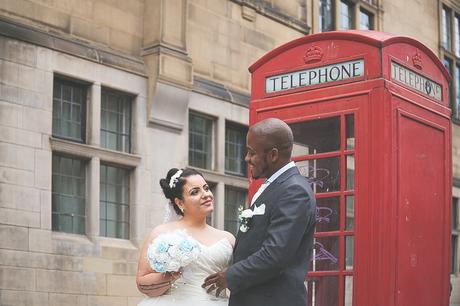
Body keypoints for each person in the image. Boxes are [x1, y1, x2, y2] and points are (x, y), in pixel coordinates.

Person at [202, 117, 316, 306]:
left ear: (273, 155)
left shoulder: (293, 191)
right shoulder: (275, 186)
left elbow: (275, 254)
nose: (246, 158)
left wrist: (230, 276)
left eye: (251, 152)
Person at [136, 168, 235, 306]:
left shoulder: (228, 238)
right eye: (195, 192)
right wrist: (170, 276)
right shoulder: (162, 234)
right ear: (180, 203)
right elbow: (142, 282)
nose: (206, 194)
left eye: (206, 188)